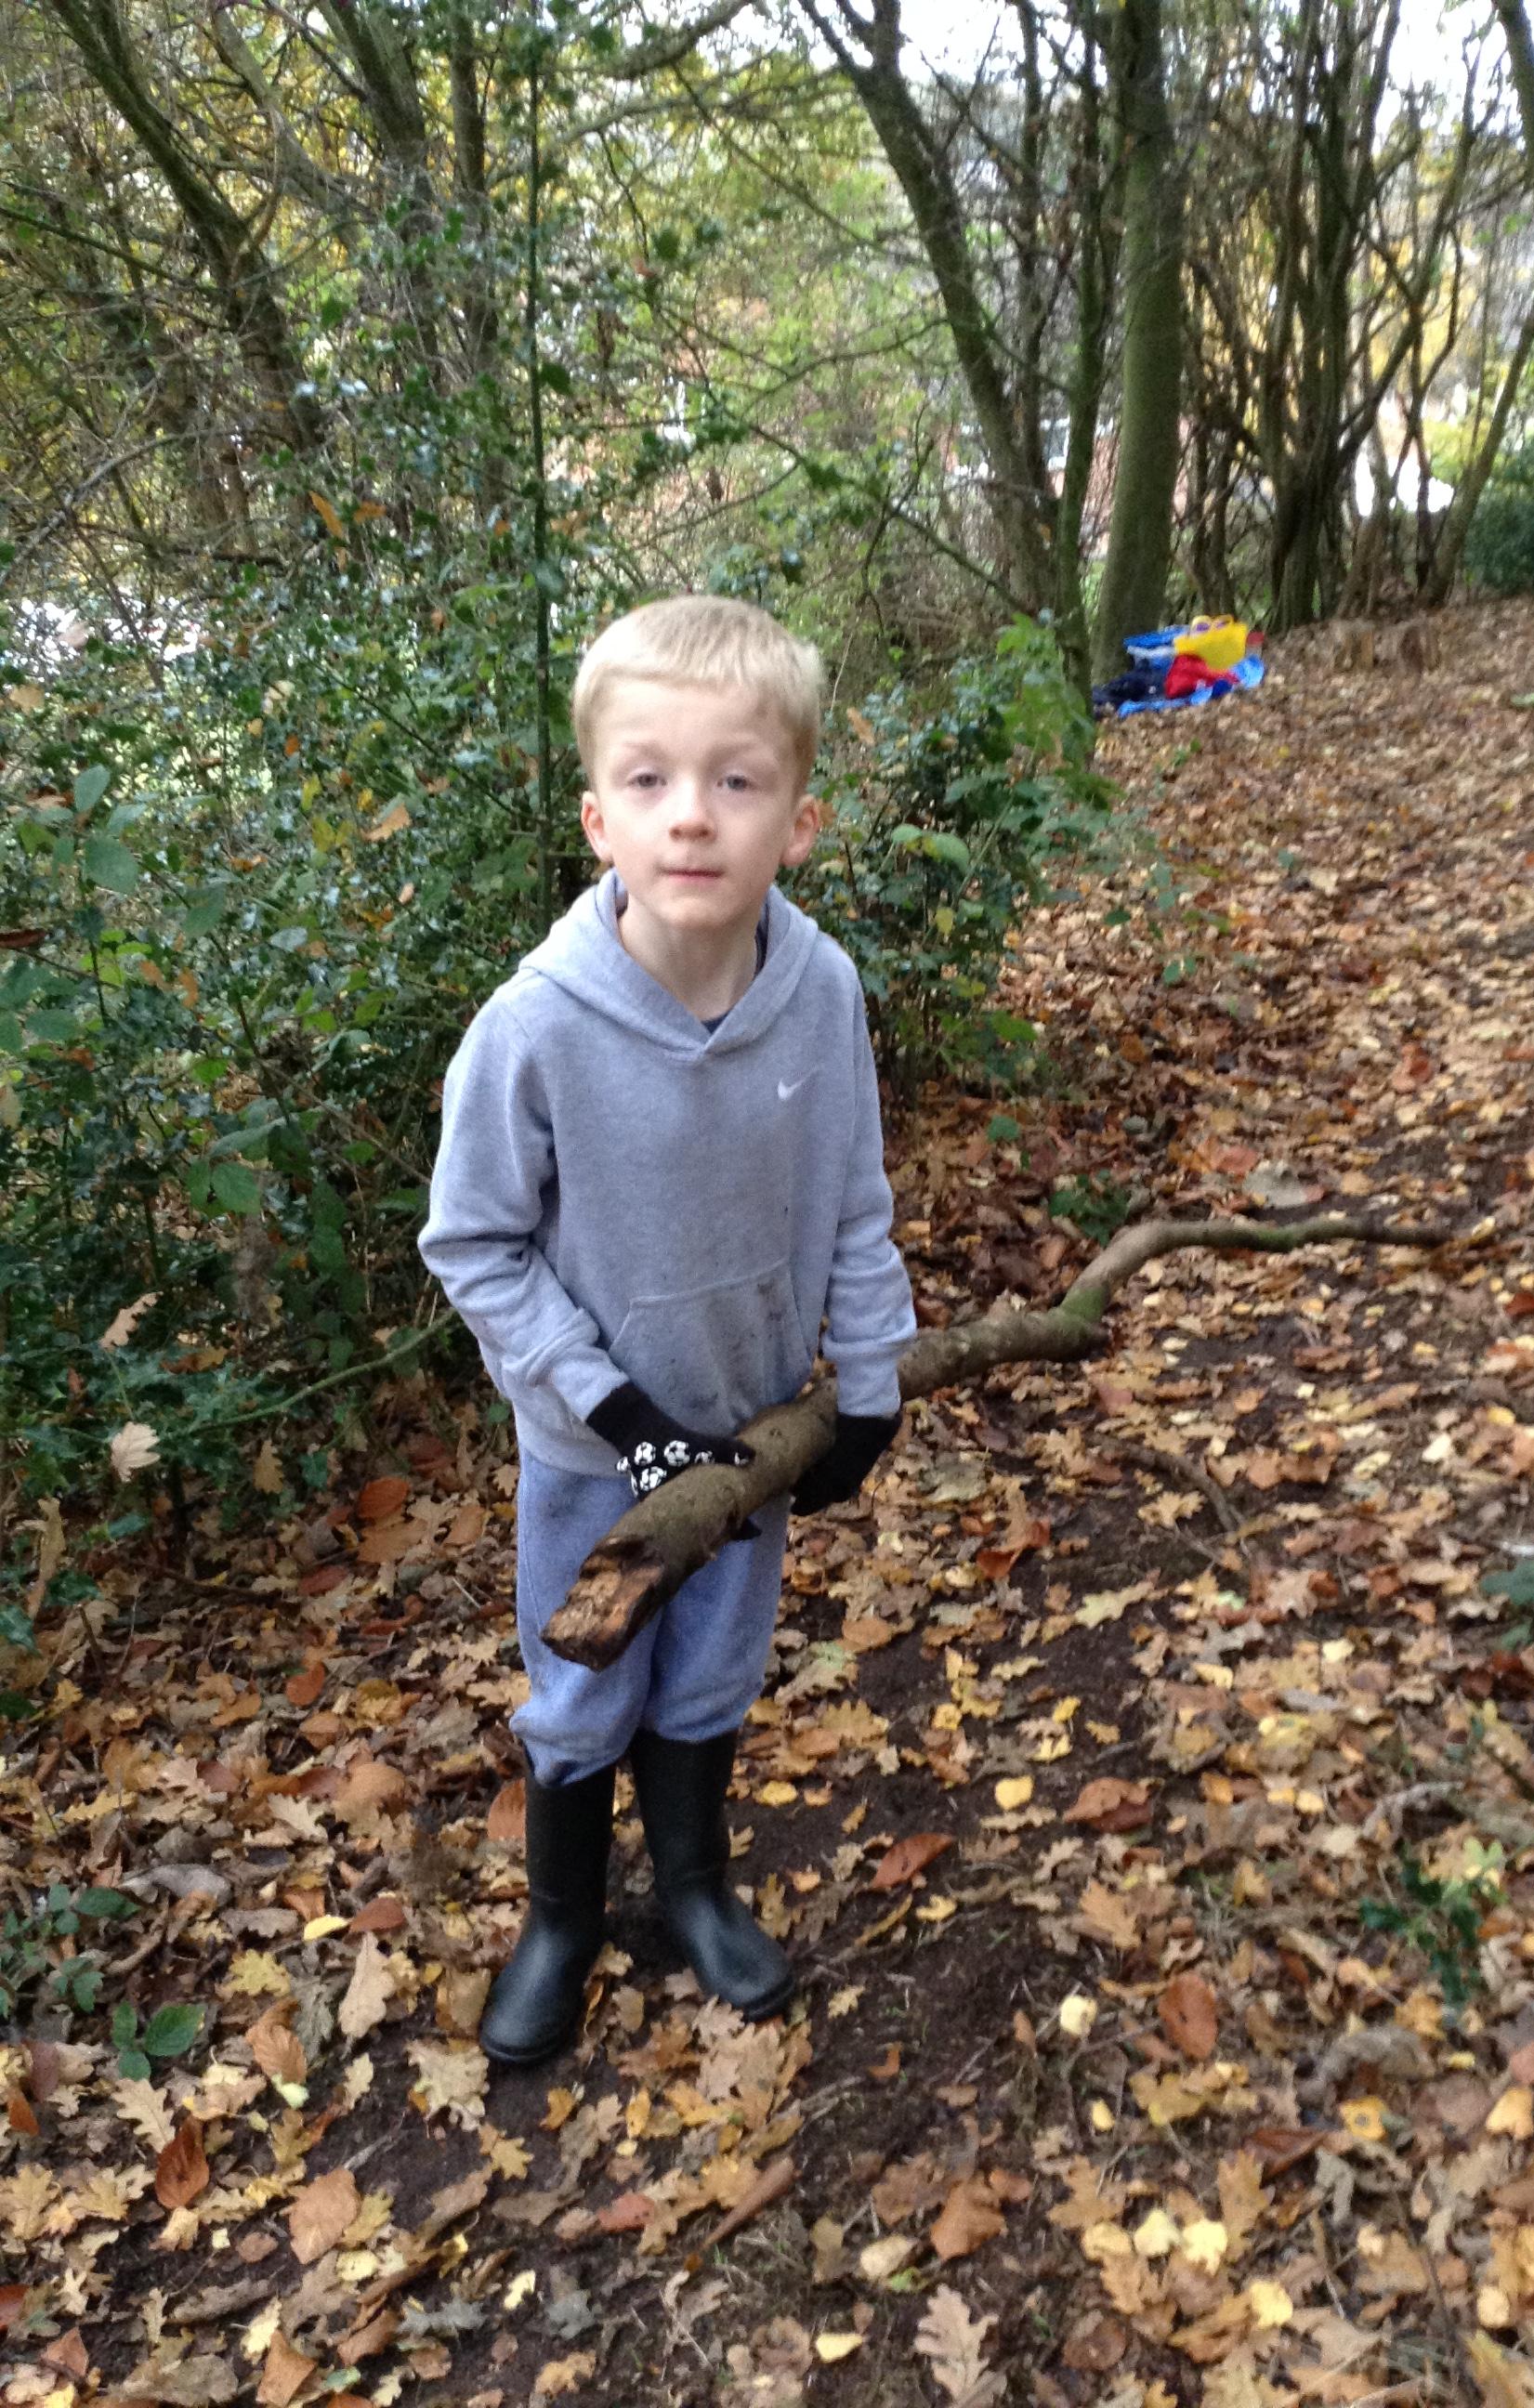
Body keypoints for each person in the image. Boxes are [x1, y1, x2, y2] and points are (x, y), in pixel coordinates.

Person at [418, 595, 916, 2067]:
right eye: (649, 779)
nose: (692, 815)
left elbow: (854, 1200)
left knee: (708, 1677)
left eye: (735, 779)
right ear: (599, 819)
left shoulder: (821, 997)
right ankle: (562, 1920)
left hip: (749, 1443)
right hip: (598, 1463)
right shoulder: (536, 1029)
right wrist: (617, 1416)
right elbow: (474, 1243)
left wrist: (868, 1388)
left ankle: (694, 1886)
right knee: (584, 1689)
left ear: (799, 822)